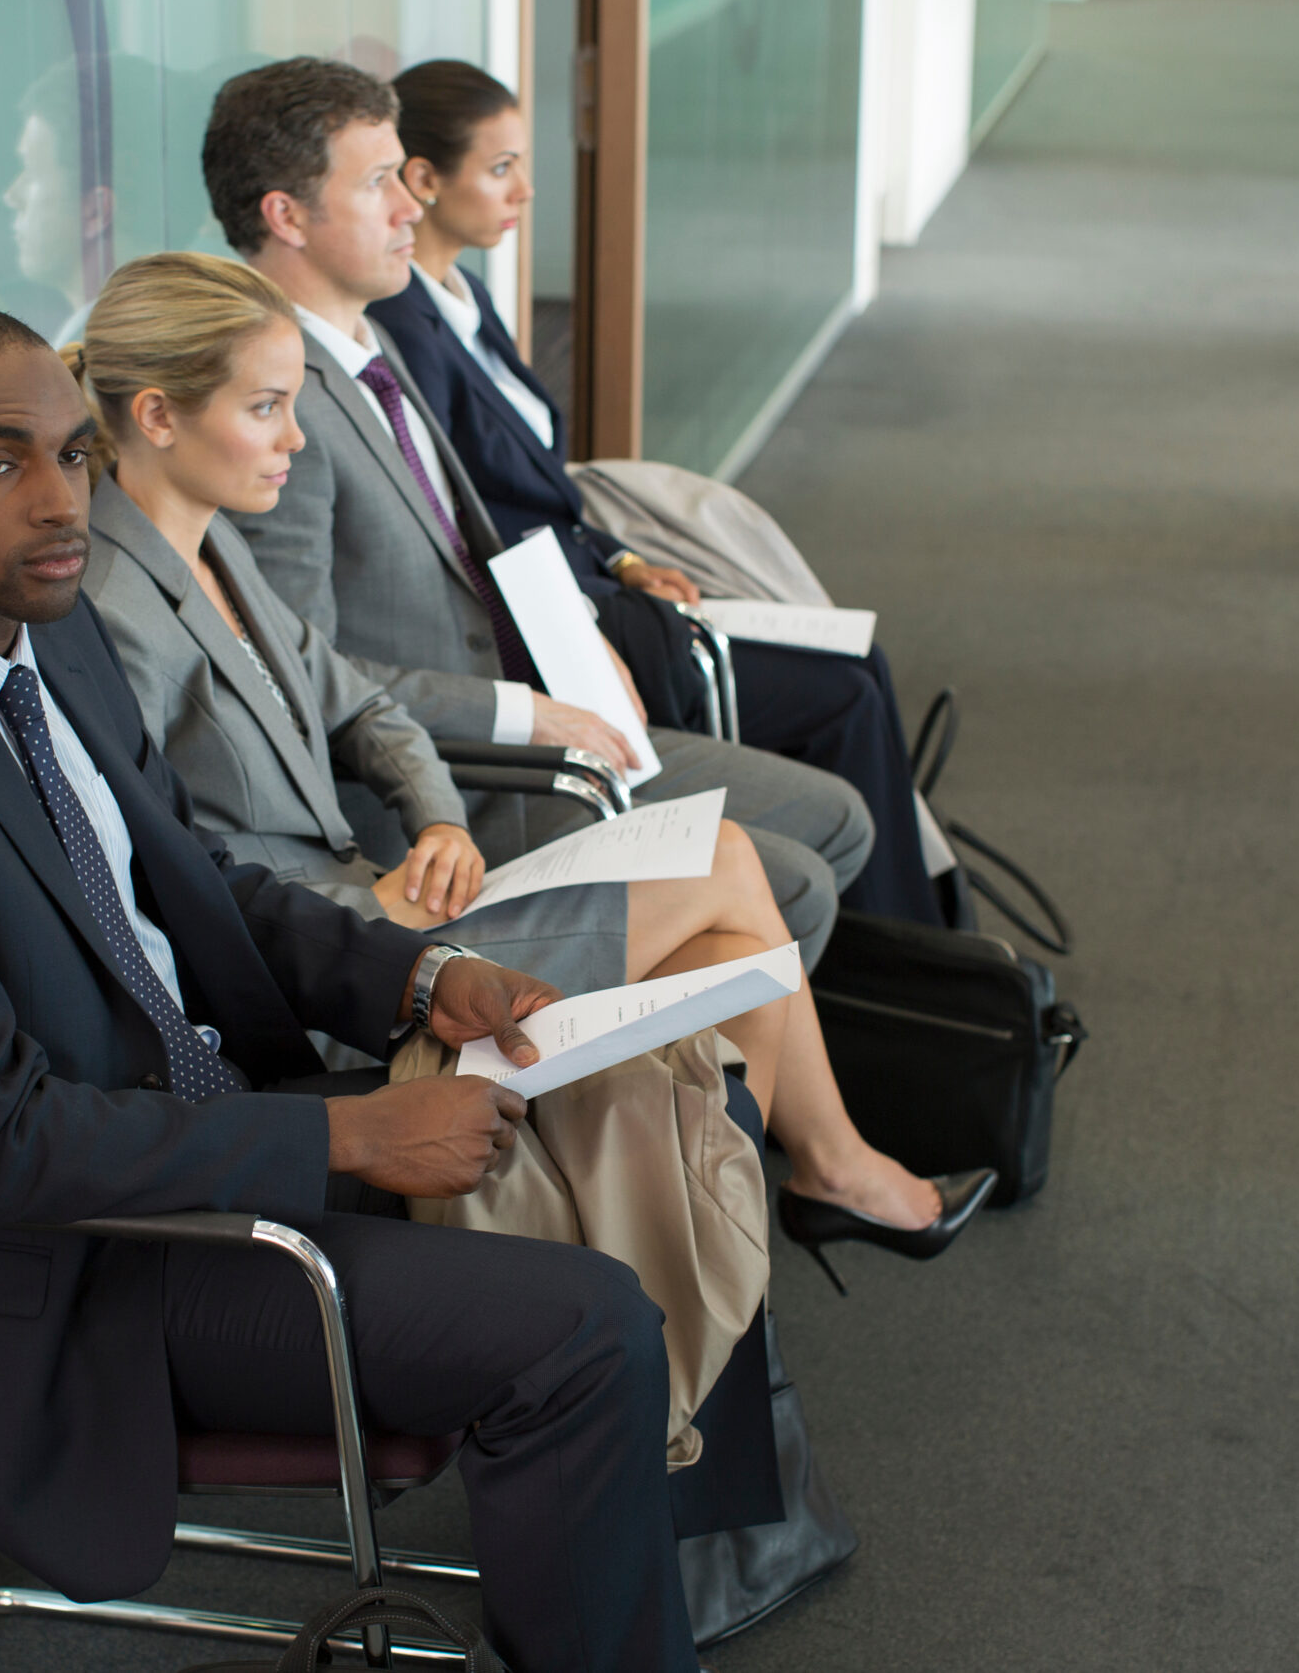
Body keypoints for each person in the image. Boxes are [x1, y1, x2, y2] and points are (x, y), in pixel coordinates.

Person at [0, 302, 703, 1670]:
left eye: (72, 453)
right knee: (585, 1332)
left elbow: (189, 886)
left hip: (220, 1125)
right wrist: (343, 1134)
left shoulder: (42, 632)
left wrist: (418, 978)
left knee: (637, 1100)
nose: (62, 501)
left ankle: (664, 1574)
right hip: (95, 1266)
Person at [69, 249, 977, 1240]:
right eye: (265, 410)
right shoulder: (110, 612)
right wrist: (361, 903)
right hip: (329, 965)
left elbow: (365, 711)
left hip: (391, 896)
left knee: (731, 947)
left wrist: (440, 821)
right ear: (157, 417)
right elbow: (166, 884)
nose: (292, 438)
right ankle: (792, 1202)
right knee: (724, 867)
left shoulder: (215, 546)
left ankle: (722, 1238)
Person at [201, 58, 878, 971]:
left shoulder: (371, 343)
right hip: (449, 785)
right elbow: (300, 669)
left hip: (541, 710)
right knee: (789, 876)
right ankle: (700, 1106)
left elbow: (475, 548)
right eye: (377, 183)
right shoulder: (278, 402)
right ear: (286, 215)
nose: (410, 205)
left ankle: (715, 1091)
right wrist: (521, 713)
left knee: (837, 818)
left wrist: (581, 643)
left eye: (405, 173)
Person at [372, 58, 941, 926]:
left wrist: (629, 557)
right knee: (848, 696)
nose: (526, 187)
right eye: (500, 168)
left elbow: (542, 485)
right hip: (561, 623)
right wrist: (604, 596)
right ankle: (913, 966)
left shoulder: (462, 295)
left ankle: (929, 948)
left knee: (861, 662)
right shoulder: (402, 329)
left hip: (596, 579)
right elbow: (491, 524)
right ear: (423, 179)